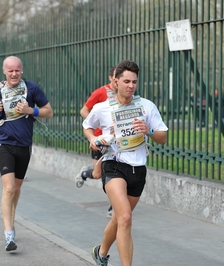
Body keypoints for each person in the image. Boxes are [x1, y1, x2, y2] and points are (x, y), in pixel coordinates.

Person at [82, 60, 168, 266]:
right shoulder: (103, 108)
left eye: (134, 82)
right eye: (126, 81)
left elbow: (163, 137)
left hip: (138, 169)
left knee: (119, 219)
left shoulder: (146, 106)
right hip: (114, 164)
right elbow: (87, 125)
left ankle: (101, 253)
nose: (131, 86)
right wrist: (93, 139)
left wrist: (147, 131)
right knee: (126, 218)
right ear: (115, 81)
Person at [0, 56, 53, 252]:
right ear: (4, 71)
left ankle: (10, 220)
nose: (14, 74)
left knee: (16, 187)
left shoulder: (32, 88)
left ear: (22, 70)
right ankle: (8, 234)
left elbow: (49, 111)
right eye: (10, 70)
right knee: (8, 188)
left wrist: (32, 110)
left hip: (24, 145)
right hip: (4, 143)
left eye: (17, 70)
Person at [77, 65, 116, 218]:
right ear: (111, 78)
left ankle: (113, 206)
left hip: (117, 142)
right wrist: (96, 123)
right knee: (98, 174)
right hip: (100, 140)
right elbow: (84, 110)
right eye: (114, 78)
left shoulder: (125, 93)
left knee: (114, 173)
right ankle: (85, 174)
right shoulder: (101, 92)